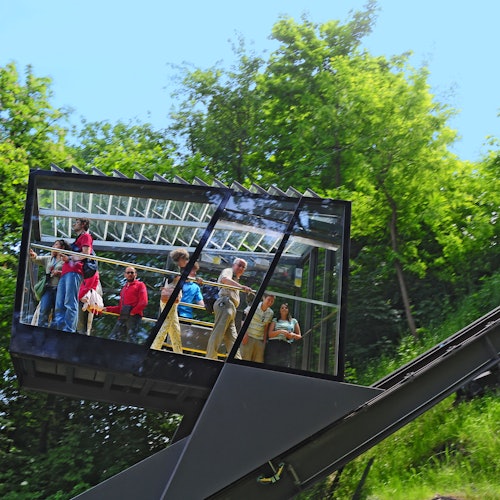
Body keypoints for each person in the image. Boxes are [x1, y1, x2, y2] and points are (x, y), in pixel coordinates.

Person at [205, 258, 252, 360]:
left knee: (232, 338)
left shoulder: (236, 279)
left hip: (230, 308)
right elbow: (225, 280)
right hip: (225, 303)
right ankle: (210, 358)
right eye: (239, 265)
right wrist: (242, 287)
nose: (240, 268)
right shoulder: (228, 271)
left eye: (243, 267)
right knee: (218, 332)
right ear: (233, 265)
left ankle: (236, 360)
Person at [52, 218, 93, 332]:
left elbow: (86, 254)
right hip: (65, 272)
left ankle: (68, 331)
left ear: (84, 224)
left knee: (70, 302)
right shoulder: (77, 239)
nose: (74, 224)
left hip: (75, 272)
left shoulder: (86, 236)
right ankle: (60, 330)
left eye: (77, 222)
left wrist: (69, 257)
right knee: (59, 304)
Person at [151, 248, 190, 353]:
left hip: (168, 299)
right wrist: (183, 278)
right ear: (181, 258)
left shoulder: (172, 265)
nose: (186, 262)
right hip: (170, 300)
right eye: (186, 259)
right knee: (166, 325)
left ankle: (178, 352)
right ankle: (154, 347)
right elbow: (172, 277)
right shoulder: (174, 267)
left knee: (175, 329)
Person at [29, 239, 71, 327]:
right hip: (48, 288)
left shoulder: (66, 261)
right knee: (44, 310)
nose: (53, 247)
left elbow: (70, 274)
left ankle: (53, 333)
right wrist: (33, 255)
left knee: (57, 313)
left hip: (60, 290)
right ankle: (41, 330)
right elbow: (37, 258)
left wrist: (59, 273)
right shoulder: (49, 259)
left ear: (62, 247)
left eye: (56, 245)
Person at [104, 267, 148, 343]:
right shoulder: (124, 288)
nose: (130, 274)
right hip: (123, 315)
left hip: (134, 317)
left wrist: (133, 312)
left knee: (131, 340)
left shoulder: (140, 285)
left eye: (132, 272)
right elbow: (120, 308)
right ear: (125, 275)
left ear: (136, 274)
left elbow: (144, 302)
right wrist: (107, 309)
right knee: (113, 337)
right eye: (128, 273)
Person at [240, 293, 275, 363]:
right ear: (264, 298)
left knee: (257, 362)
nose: (270, 302)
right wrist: (244, 334)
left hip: (260, 340)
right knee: (245, 360)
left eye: (272, 301)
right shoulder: (254, 306)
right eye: (269, 300)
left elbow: (266, 327)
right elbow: (243, 319)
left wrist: (264, 342)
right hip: (248, 337)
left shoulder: (271, 313)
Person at [265, 303, 302, 368]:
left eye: (286, 308)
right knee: (270, 365)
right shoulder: (275, 320)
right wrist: (282, 331)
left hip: (286, 345)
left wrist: (293, 335)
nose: (284, 309)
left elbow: (299, 336)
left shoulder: (293, 321)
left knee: (283, 365)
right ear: (280, 310)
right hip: (273, 344)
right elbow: (270, 334)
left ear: (288, 310)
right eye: (282, 308)